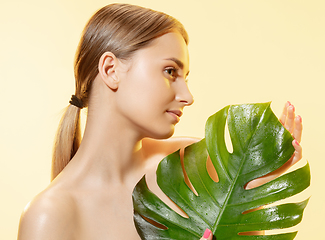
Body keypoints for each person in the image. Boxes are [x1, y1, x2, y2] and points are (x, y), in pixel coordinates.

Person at [17, 3, 302, 240]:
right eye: (170, 71)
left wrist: (256, 186)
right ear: (111, 69)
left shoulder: (193, 165)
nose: (187, 96)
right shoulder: (50, 216)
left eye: (185, 77)